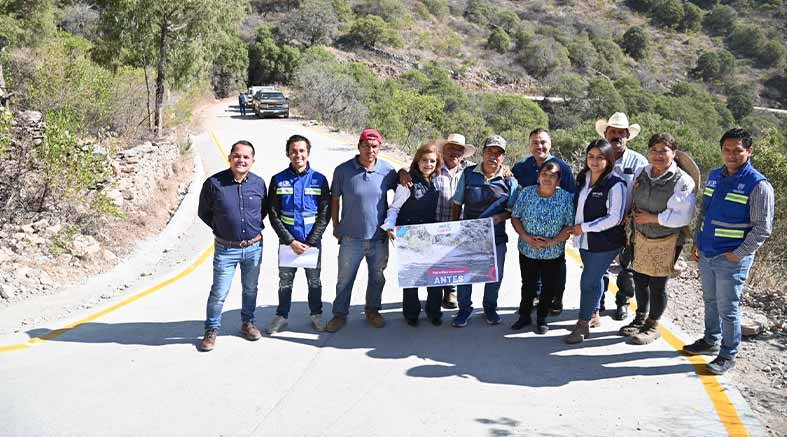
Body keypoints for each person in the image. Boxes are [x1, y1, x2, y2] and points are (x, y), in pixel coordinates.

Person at [683, 128, 774, 375]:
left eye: (738, 150)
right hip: (708, 252)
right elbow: (705, 212)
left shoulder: (758, 184)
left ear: (749, 151)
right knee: (710, 301)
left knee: (728, 307)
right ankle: (710, 340)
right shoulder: (714, 176)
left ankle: (727, 354)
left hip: (731, 258)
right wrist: (698, 242)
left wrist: (738, 254)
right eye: (727, 150)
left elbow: (762, 229)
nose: (731, 155)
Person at [620, 133, 696, 344]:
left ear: (674, 153)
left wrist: (653, 218)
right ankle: (640, 318)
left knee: (658, 283)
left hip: (667, 238)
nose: (658, 155)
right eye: (654, 150)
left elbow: (683, 215)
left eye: (664, 151)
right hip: (640, 235)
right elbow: (631, 195)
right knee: (640, 278)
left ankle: (653, 325)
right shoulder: (642, 172)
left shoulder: (682, 181)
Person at [197, 140, 267, 351]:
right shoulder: (214, 183)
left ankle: (248, 323)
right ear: (230, 158)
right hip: (226, 249)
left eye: (246, 157)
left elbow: (262, 211)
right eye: (237, 155)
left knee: (250, 289)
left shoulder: (258, 183)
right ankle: (211, 329)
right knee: (219, 292)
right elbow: (204, 213)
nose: (241, 160)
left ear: (252, 161)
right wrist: (223, 228)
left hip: (254, 247)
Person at [326, 129, 398, 332]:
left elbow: (401, 192)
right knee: (344, 279)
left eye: (374, 146)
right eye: (366, 145)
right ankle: (339, 314)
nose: (370, 150)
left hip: (378, 237)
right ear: (359, 146)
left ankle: (372, 310)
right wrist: (335, 224)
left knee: (377, 278)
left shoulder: (388, 170)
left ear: (379, 149)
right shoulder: (343, 170)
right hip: (351, 237)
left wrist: (402, 173)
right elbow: (335, 199)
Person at [397, 133, 476, 310]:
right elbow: (416, 171)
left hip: (458, 224)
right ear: (444, 150)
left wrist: (506, 168)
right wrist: (401, 172)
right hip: (433, 224)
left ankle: (450, 292)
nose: (455, 152)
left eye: (459, 149)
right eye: (451, 148)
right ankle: (422, 305)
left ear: (463, 153)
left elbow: (490, 169)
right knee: (431, 267)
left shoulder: (470, 170)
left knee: (453, 261)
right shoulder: (435, 168)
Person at [266, 135, 331, 334]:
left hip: (312, 243)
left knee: (314, 281)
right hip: (287, 243)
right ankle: (282, 316)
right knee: (285, 281)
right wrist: (290, 240)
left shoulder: (319, 180)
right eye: (294, 151)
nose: (298, 155)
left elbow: (324, 214)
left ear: (308, 153)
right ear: (288, 153)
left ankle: (316, 315)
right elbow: (273, 214)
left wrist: (311, 242)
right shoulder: (278, 179)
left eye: (302, 151)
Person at [450, 135, 517, 327]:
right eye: (490, 151)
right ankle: (464, 309)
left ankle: (490, 307)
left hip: (496, 236)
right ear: (483, 152)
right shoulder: (469, 173)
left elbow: (512, 211)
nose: (493, 156)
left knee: (495, 275)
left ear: (503, 158)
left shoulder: (509, 181)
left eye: (498, 153)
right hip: (468, 235)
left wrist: (500, 217)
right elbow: (457, 202)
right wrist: (456, 227)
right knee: (464, 274)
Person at [565, 139, 627, 344]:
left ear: (609, 160)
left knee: (588, 281)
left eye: (600, 157)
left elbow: (614, 217)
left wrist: (584, 227)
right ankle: (593, 314)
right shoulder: (583, 177)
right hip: (584, 241)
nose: (594, 160)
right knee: (596, 277)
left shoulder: (615, 184)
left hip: (605, 242)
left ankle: (582, 326)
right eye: (591, 156)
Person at [510, 128, 576, 316]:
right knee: (530, 273)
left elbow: (570, 196)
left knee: (555, 269)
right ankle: (534, 300)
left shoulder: (561, 167)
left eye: (543, 142)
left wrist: (561, 233)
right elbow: (512, 184)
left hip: (554, 235)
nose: (539, 146)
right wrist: (505, 171)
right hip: (529, 233)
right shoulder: (523, 166)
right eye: (535, 142)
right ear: (530, 144)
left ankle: (556, 299)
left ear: (550, 144)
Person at [382, 142, 444, 326]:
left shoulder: (437, 181)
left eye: (432, 161)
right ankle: (411, 314)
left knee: (434, 277)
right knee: (412, 277)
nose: (428, 164)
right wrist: (390, 227)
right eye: (424, 160)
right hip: (409, 233)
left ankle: (434, 312)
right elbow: (394, 208)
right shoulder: (406, 183)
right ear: (417, 161)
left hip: (431, 234)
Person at [595, 112, 648, 321]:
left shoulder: (639, 162)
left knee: (628, 267)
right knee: (600, 265)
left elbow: (644, 191)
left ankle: (623, 302)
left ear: (627, 135)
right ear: (606, 134)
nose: (616, 136)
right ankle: (597, 303)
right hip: (601, 222)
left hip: (629, 224)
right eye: (613, 132)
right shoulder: (597, 158)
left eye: (621, 133)